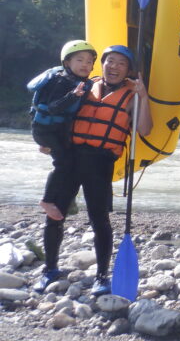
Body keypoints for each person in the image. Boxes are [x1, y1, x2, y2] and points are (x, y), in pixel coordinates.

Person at [34, 44, 153, 296]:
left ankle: (101, 276)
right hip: (71, 156)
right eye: (110, 61)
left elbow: (144, 130)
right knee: (55, 216)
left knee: (100, 220)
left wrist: (143, 95)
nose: (114, 67)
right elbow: (56, 110)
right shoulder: (85, 85)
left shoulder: (132, 95)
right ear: (103, 64)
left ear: (128, 69)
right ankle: (50, 269)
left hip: (100, 163)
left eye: (121, 63)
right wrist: (46, 140)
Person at [27, 40, 96, 223]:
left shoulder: (78, 81)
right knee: (64, 163)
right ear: (67, 63)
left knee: (72, 162)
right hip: (47, 130)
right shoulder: (61, 80)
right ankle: (47, 200)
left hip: (55, 130)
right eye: (80, 60)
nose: (85, 65)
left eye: (89, 62)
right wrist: (73, 95)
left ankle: (67, 199)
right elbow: (53, 108)